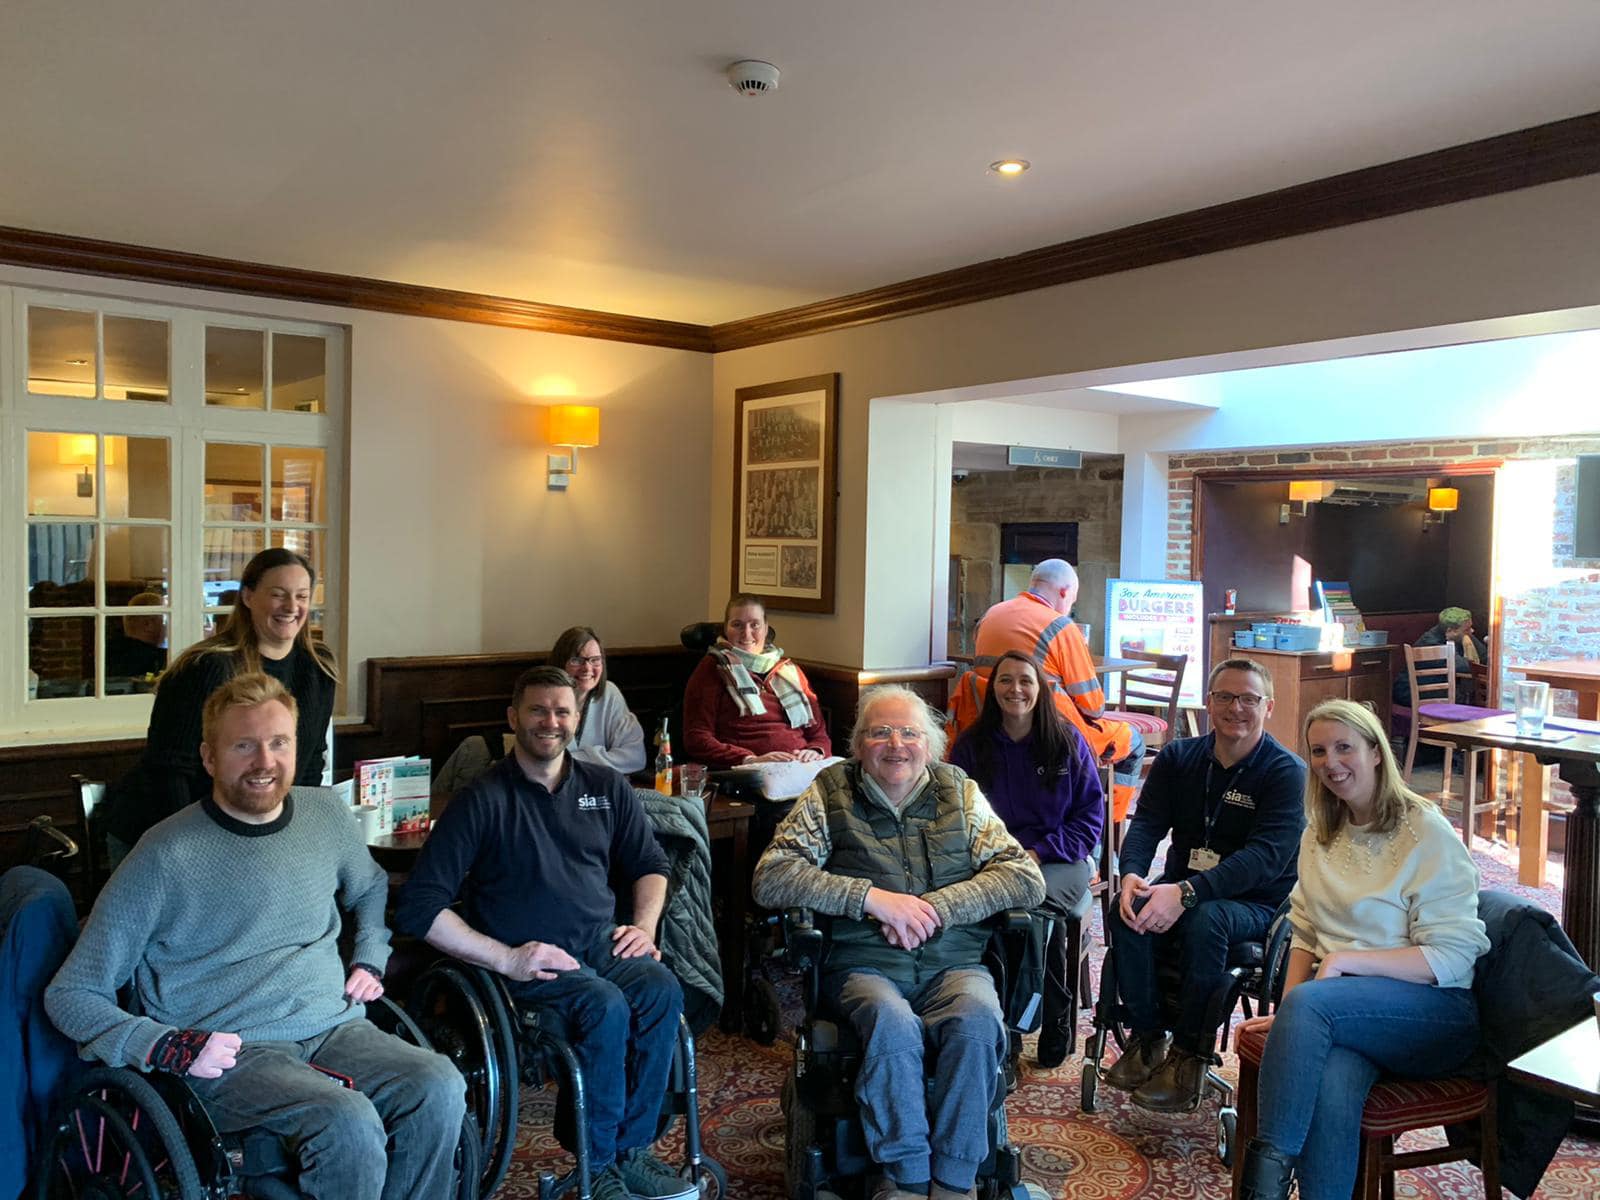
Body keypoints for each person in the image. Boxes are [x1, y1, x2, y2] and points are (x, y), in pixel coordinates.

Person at [45, 673, 465, 1200]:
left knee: (439, 1084)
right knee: (347, 1121)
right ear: (209, 757)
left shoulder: (325, 815)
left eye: (279, 742)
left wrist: (370, 956)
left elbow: (371, 887)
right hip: (230, 1050)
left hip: (333, 1025)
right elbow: (72, 994)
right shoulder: (163, 855)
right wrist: (167, 1046)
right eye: (244, 745)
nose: (265, 761)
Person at [395, 666, 696, 1200]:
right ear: (513, 718)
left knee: (660, 989)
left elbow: (650, 863)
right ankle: (596, 1165)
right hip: (525, 964)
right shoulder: (481, 799)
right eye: (538, 710)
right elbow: (420, 908)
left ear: (577, 720)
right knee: (605, 1006)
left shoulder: (605, 787)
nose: (550, 722)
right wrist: (506, 959)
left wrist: (644, 928)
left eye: (562, 711)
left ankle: (631, 1151)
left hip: (599, 942)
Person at [752, 685, 1045, 1200]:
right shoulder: (832, 791)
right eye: (880, 731)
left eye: (910, 732)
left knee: (977, 1022)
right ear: (859, 745)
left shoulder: (959, 792)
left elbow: (1024, 876)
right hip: (864, 967)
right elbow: (771, 877)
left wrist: (935, 909)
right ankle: (906, 1177)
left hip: (953, 965)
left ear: (929, 745)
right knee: (891, 1024)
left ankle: (954, 1181)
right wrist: (871, 899)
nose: (896, 743)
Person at [1235, 699, 1490, 1200]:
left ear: (1376, 752)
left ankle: (1261, 1188)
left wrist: (1343, 964)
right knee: (1331, 1083)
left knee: (1311, 1005)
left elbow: (1454, 957)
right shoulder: (1322, 831)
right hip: (1342, 1009)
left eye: (1345, 747)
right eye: (1319, 751)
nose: (1332, 762)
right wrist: (1289, 1013)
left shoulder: (1425, 830)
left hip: (1433, 1011)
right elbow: (1304, 927)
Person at [1105, 657, 1306, 1112]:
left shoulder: (1284, 771)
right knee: (1129, 907)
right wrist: (1134, 871)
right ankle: (1148, 1037)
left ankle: (1190, 1055)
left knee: (1206, 920)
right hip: (1182, 886)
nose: (1236, 707)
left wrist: (1187, 894)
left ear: (1267, 706)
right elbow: (1147, 823)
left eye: (1249, 699)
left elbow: (1266, 859)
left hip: (1256, 902)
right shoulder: (1179, 758)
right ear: (1209, 702)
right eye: (1225, 697)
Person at [100, 548, 337, 864]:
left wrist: (289, 838)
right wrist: (199, 850)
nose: (292, 606)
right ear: (249, 597)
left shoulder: (318, 669)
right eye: (278, 595)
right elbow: (169, 770)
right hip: (159, 830)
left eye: (302, 596)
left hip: (247, 832)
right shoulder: (207, 666)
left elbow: (307, 766)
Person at [949, 649, 1104, 1069]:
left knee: (1023, 911)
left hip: (1061, 859)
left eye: (1025, 680)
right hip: (994, 861)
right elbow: (954, 815)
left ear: (1041, 689)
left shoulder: (1066, 741)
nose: (1015, 689)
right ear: (991, 688)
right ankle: (1049, 1014)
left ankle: (1017, 1026)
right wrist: (998, 857)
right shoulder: (971, 746)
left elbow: (1090, 819)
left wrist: (1039, 852)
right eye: (1005, 680)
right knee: (1013, 912)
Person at [948, 559, 1143, 818]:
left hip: (989, 727)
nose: (1069, 607)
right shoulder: (1060, 627)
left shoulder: (989, 616)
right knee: (1134, 742)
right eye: (1072, 600)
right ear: (1064, 592)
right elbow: (1093, 708)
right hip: (1053, 734)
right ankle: (1109, 829)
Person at [432, 625, 647, 795]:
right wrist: (604, 759)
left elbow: (635, 757)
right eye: (577, 660)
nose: (587, 668)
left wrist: (578, 758)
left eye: (595, 660)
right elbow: (543, 758)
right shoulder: (543, 692)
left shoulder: (609, 694)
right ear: (561, 662)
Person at [682, 594, 831, 767]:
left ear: (766, 628)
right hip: (748, 771)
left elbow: (819, 735)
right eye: (737, 625)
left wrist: (814, 751)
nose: (746, 633)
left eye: (755, 625)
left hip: (801, 766)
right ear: (726, 629)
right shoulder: (713, 668)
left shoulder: (789, 671)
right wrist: (750, 760)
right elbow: (696, 739)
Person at [1392, 605, 1488, 706]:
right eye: (1467, 629)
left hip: (1441, 687)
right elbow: (1463, 666)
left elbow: (1484, 658)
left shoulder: (1462, 636)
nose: (1472, 631)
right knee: (1462, 697)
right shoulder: (1430, 642)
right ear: (1451, 631)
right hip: (1410, 691)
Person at [104, 590, 167, 684]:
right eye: (164, 620)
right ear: (148, 624)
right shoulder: (157, 660)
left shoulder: (105, 652)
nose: (166, 626)